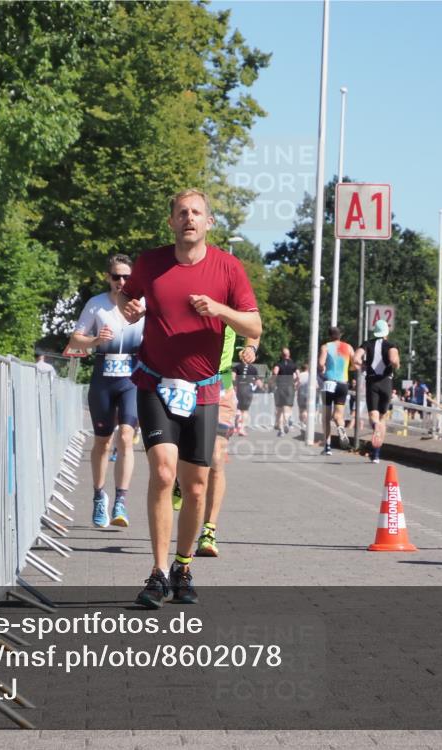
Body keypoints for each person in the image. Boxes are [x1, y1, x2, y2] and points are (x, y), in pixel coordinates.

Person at [119, 189, 261, 608]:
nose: (189, 219)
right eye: (181, 213)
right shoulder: (151, 263)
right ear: (171, 222)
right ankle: (158, 572)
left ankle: (183, 566)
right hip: (154, 384)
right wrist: (131, 309)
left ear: (209, 223)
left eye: (196, 213)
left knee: (196, 487)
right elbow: (131, 297)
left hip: (203, 389)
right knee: (164, 474)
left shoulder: (229, 268)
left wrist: (219, 310)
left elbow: (254, 324)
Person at [66, 254, 145, 529]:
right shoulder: (96, 305)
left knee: (126, 436)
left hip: (131, 381)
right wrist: (96, 340)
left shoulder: (141, 305)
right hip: (103, 380)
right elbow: (76, 338)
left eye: (126, 277)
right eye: (116, 276)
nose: (121, 282)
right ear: (107, 278)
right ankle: (99, 495)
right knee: (102, 442)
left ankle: (121, 500)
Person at [197, 326, 260, 558]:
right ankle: (179, 480)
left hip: (221, 384)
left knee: (216, 458)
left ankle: (208, 531)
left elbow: (253, 328)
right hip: (186, 383)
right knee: (187, 460)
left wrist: (251, 347)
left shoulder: (230, 299)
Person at [354, 319, 401, 463]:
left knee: (374, 417)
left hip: (372, 382)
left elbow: (355, 358)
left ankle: (374, 427)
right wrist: (396, 365)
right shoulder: (391, 345)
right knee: (382, 419)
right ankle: (376, 454)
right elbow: (394, 360)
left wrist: (363, 366)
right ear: (386, 332)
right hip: (386, 383)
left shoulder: (367, 344)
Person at [318, 326, 354, 455]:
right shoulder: (348, 347)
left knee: (326, 417)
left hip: (329, 383)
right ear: (341, 335)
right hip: (343, 384)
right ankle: (341, 428)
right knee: (338, 415)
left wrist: (322, 369)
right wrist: (349, 368)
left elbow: (321, 363)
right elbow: (355, 363)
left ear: (329, 335)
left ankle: (327, 447)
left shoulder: (325, 347)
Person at [271, 347, 299, 436]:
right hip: (290, 387)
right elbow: (298, 375)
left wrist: (273, 381)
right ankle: (287, 421)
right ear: (289, 354)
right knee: (288, 407)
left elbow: (275, 372)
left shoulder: (278, 364)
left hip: (280, 387)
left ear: (281, 355)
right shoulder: (293, 364)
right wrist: (296, 382)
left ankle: (281, 430)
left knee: (279, 409)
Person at [232, 357, 260, 435]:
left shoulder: (236, 367)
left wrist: (234, 386)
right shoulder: (253, 368)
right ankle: (241, 428)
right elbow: (258, 382)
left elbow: (232, 377)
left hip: (239, 388)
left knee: (237, 408)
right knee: (245, 410)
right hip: (248, 389)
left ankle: (235, 427)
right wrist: (262, 388)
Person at [296, 363, 310, 432]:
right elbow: (316, 386)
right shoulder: (311, 375)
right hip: (309, 394)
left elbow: (296, 384)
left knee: (301, 410)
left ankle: (302, 424)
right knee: (307, 410)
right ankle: (306, 423)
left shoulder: (300, 375)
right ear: (308, 369)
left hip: (300, 394)